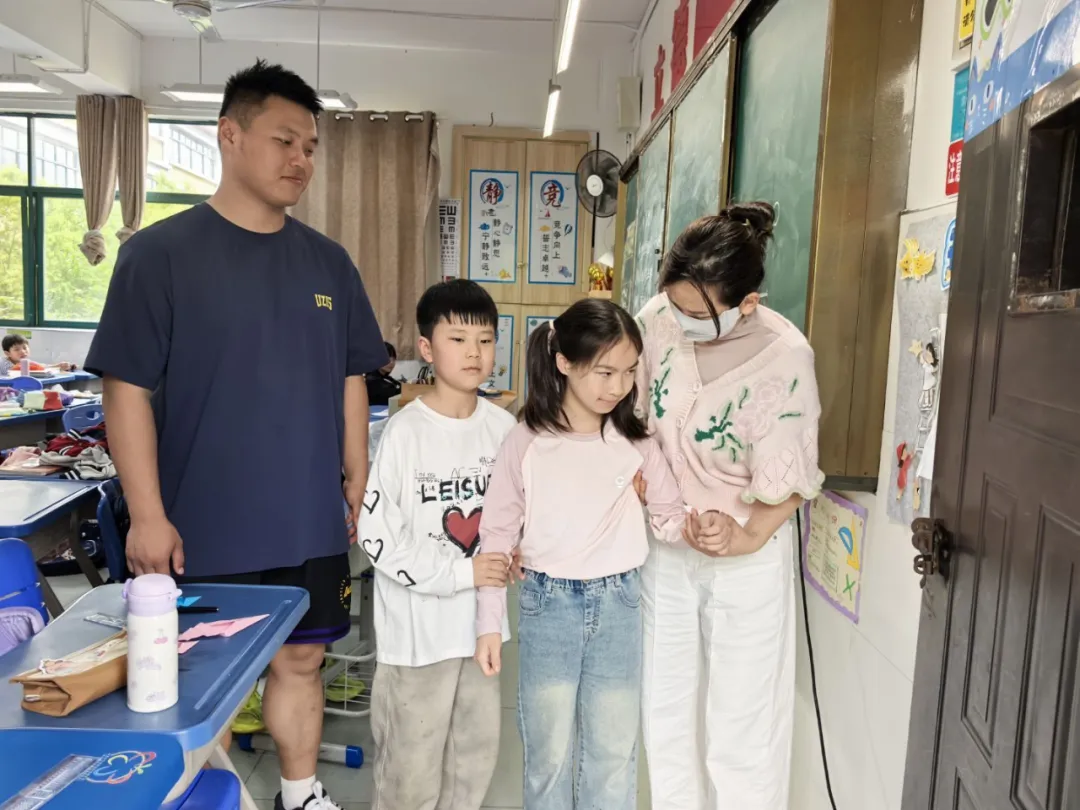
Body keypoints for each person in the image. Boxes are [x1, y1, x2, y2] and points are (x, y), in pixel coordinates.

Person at [85, 60, 388, 810]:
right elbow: (125, 389)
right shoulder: (159, 255)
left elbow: (353, 374)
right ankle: (203, 799)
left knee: (303, 664)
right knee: (202, 683)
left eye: (310, 147)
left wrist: (356, 468)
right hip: (203, 526)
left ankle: (299, 793)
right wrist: (147, 515)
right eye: (285, 141)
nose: (301, 160)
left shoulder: (329, 263)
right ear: (230, 135)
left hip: (307, 520)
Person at [474, 298, 723, 810]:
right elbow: (496, 537)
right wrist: (488, 624)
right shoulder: (525, 442)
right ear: (564, 362)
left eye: (629, 372)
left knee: (612, 753)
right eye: (605, 372)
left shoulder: (636, 441)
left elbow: (669, 516)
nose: (619, 386)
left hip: (619, 604)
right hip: (548, 605)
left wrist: (699, 526)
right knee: (549, 755)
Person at [633, 203, 824, 810]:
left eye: (697, 315)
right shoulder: (656, 322)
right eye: (674, 305)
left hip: (748, 557)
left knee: (742, 726)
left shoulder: (785, 356)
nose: (679, 321)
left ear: (748, 302)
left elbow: (791, 475)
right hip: (667, 549)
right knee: (666, 711)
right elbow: (632, 418)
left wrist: (745, 535)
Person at [359, 279, 516, 810]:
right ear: (427, 348)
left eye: (485, 340)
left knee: (471, 766)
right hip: (416, 640)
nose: (474, 352)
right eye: (458, 339)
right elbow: (378, 537)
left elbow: (514, 516)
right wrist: (461, 573)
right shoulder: (405, 432)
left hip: (481, 633)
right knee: (410, 776)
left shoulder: (504, 429)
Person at [0, 334, 74, 375]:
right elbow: (17, 372)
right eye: (17, 349)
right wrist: (56, 368)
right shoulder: (4, 363)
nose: (22, 351)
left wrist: (59, 365)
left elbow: (40, 366)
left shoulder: (25, 362)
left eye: (25, 348)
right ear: (7, 353)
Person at [365, 341, 402, 406]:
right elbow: (394, 395)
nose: (391, 363)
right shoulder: (372, 381)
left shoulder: (385, 377)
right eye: (388, 359)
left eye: (393, 359)